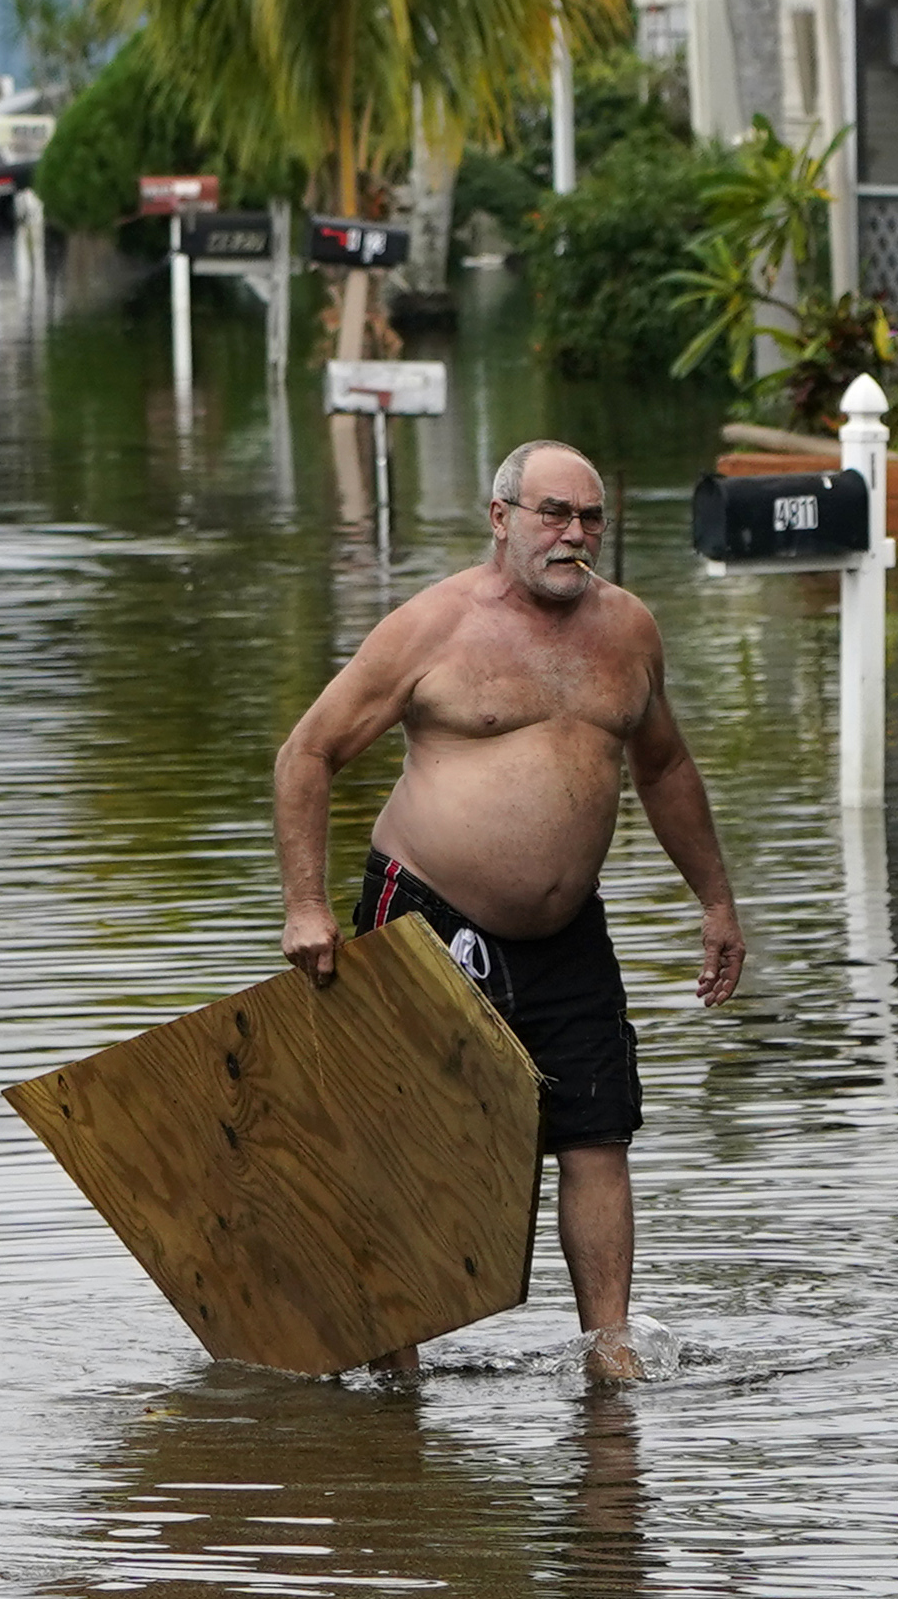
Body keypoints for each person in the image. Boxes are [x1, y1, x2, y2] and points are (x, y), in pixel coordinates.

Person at [270, 435, 744, 1373]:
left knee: (598, 1131)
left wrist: (717, 902)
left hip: (568, 929)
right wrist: (307, 907)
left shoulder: (629, 630)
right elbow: (306, 755)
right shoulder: (430, 628)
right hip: (429, 914)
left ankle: (610, 1351)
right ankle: (393, 1355)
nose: (575, 535)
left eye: (591, 517)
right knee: (415, 1138)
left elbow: (666, 766)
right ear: (501, 519)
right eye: (554, 514)